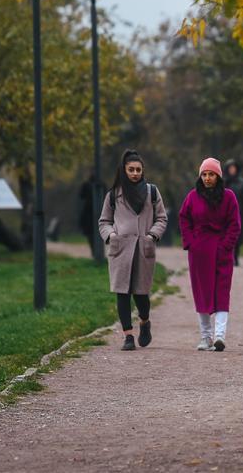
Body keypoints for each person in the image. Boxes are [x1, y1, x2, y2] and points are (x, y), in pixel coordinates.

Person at [99, 150, 168, 351]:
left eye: (138, 170)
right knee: (122, 293)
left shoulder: (152, 192)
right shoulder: (113, 194)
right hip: (120, 250)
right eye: (131, 170)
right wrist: (111, 235)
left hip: (143, 249)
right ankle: (128, 336)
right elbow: (104, 221)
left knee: (141, 294)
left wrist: (152, 236)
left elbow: (162, 218)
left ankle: (145, 322)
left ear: (143, 171)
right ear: (124, 170)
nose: (135, 173)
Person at [178, 157, 241, 351]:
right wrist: (190, 242)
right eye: (204, 174)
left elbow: (234, 224)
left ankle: (219, 336)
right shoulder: (192, 197)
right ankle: (206, 337)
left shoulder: (229, 196)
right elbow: (184, 218)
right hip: (199, 252)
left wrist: (226, 245)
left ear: (218, 176)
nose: (207, 178)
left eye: (211, 174)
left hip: (222, 251)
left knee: (222, 292)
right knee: (202, 294)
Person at [223, 159, 243, 266]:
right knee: (226, 236)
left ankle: (236, 257)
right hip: (225, 214)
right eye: (230, 168)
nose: (232, 170)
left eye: (233, 168)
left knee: (237, 237)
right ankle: (227, 257)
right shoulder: (223, 183)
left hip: (239, 214)